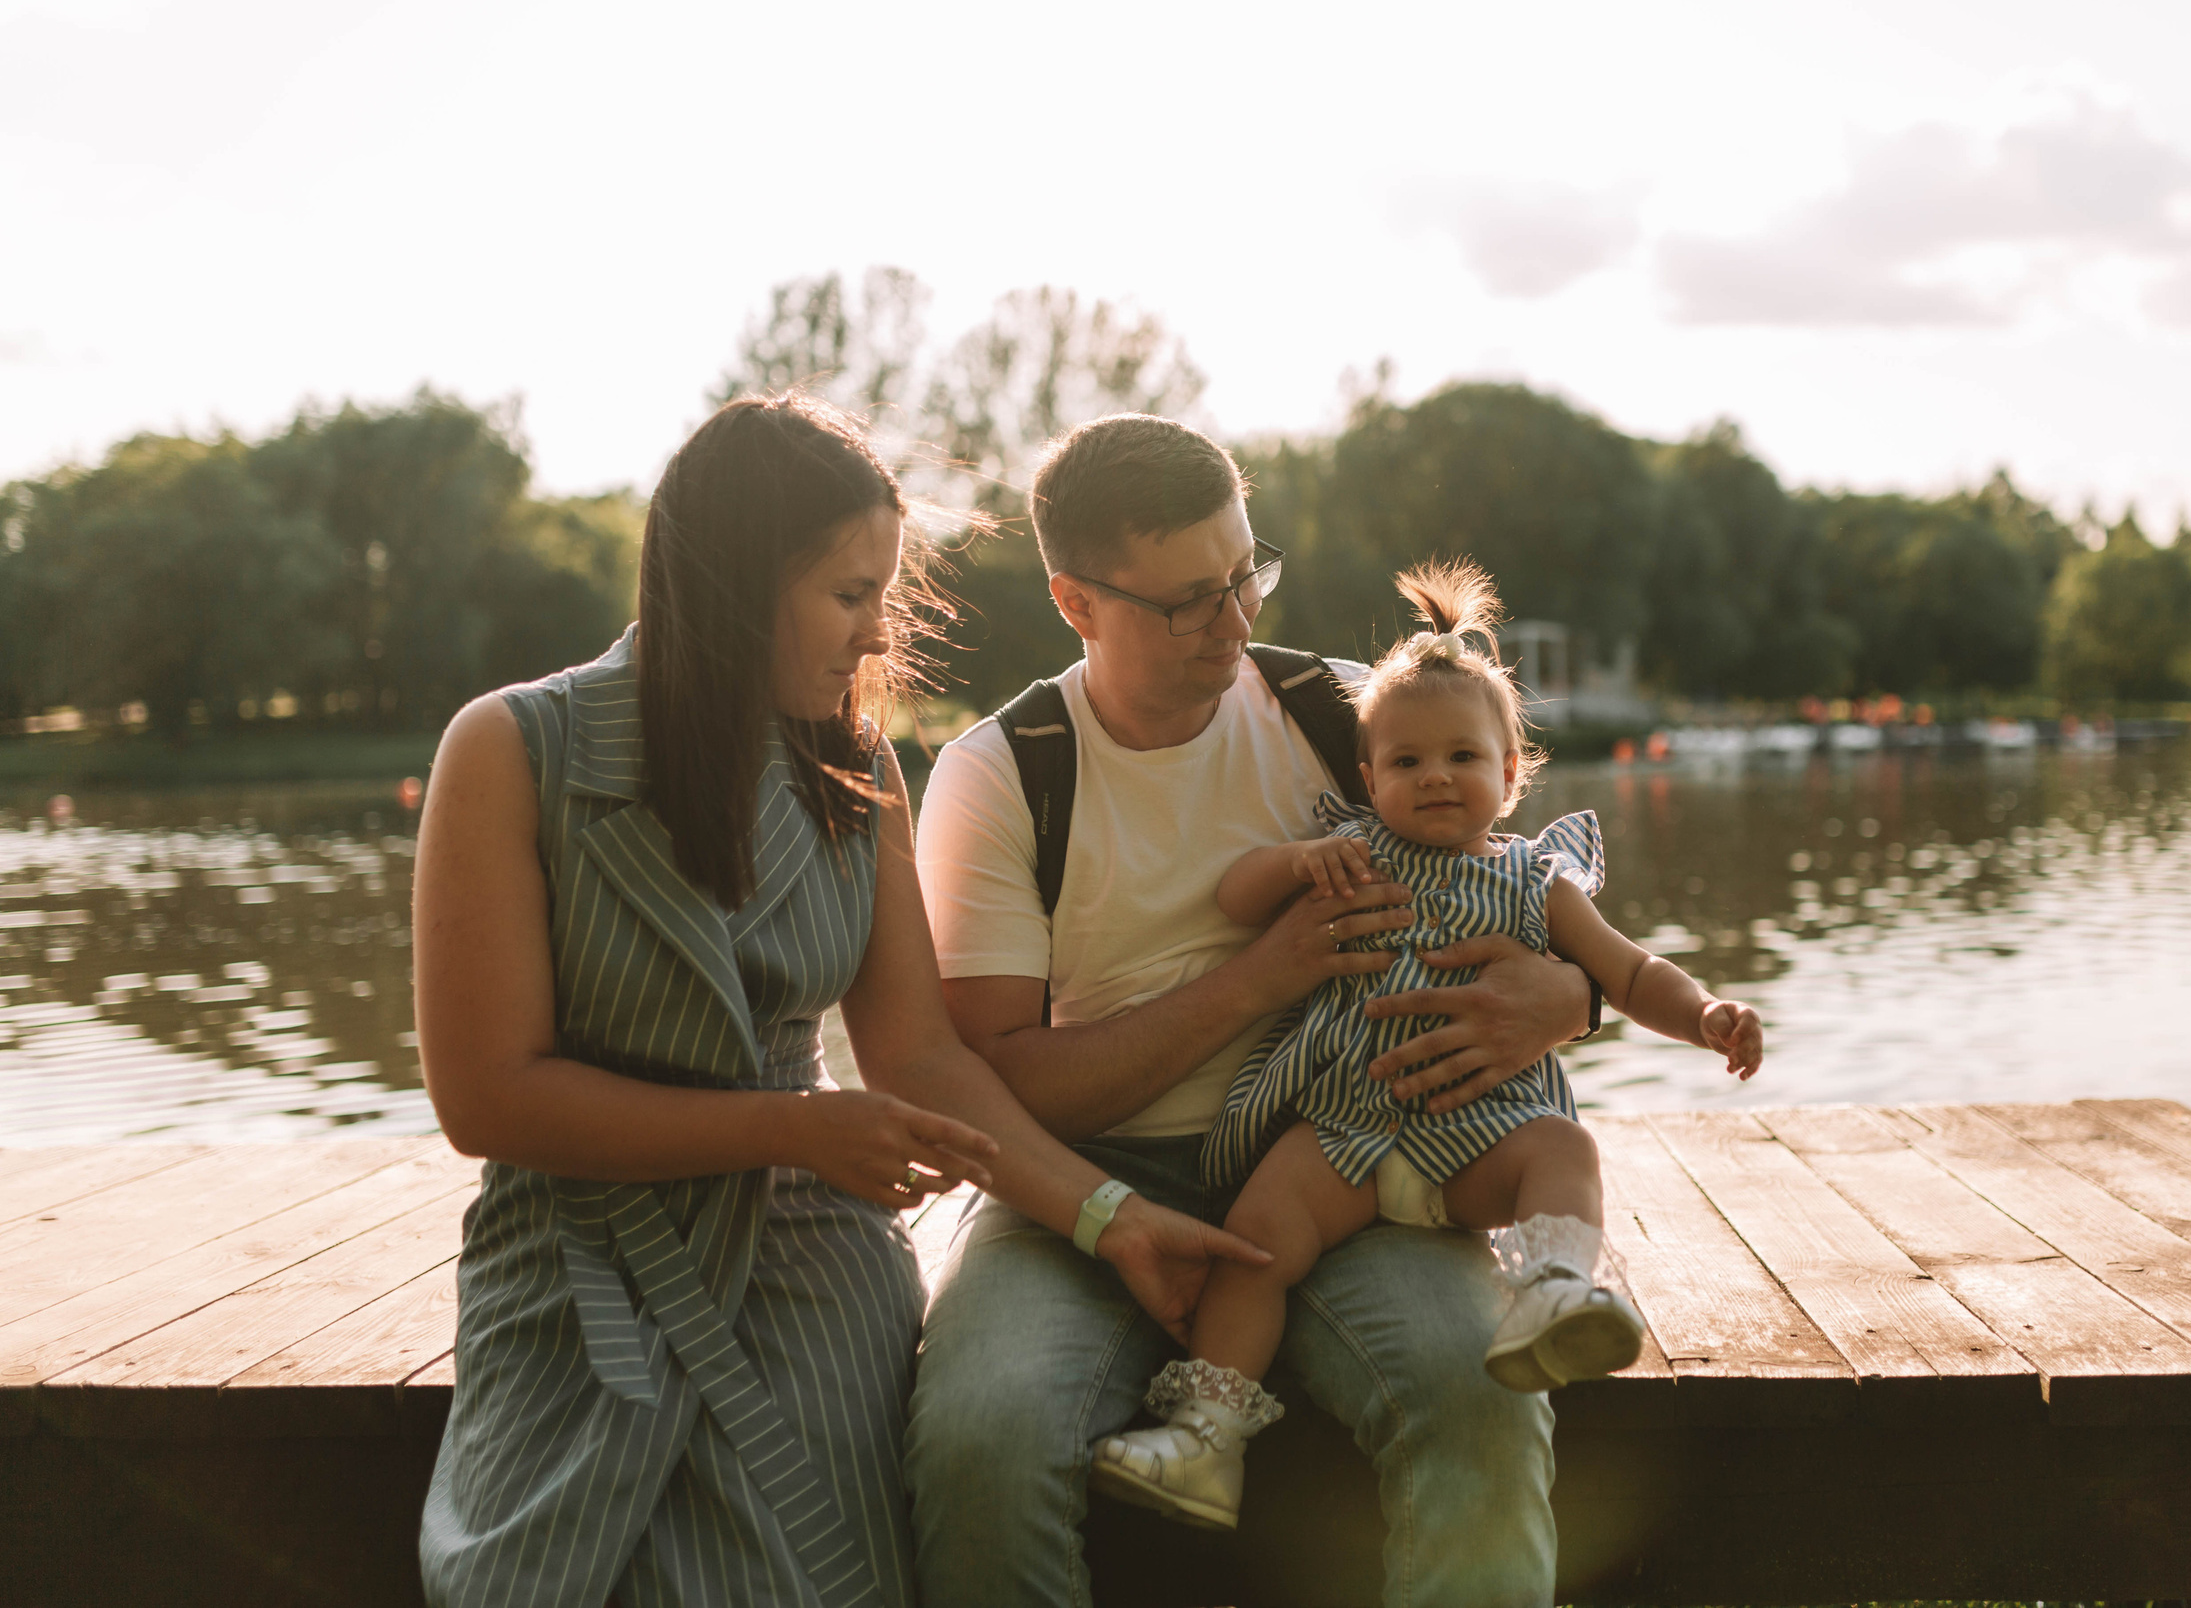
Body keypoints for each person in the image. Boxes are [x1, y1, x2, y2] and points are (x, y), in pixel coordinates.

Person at [411, 395, 1265, 1608]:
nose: (876, 639)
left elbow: (918, 1055)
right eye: (850, 595)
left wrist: (1108, 1217)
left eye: (885, 595)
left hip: (804, 1266)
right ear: (733, 582)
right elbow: (486, 1097)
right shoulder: (510, 748)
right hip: (576, 1262)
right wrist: (797, 1129)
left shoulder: (852, 768)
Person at [906, 413, 1603, 1607]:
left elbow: (1528, 885)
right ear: (1076, 603)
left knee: (1481, 1399)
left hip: (1348, 1164)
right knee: (981, 1439)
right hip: (1081, 1191)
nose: (1234, 625)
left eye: (1244, 579)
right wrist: (1264, 974)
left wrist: (1574, 997)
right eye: (1187, 602)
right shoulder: (999, 774)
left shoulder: (1341, 717)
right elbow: (1001, 1083)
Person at [1090, 560, 1764, 1530]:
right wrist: (1293, 861)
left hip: (1480, 1139)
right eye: (1406, 763)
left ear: (1511, 771)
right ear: (1368, 779)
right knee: (1251, 1245)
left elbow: (1627, 973)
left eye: (1462, 757)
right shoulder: (1351, 850)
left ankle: (1551, 1290)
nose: (1435, 776)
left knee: (1565, 1149)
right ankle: (1205, 1437)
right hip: (1344, 1131)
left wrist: (1703, 1015)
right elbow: (1235, 897)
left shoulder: (1541, 882)